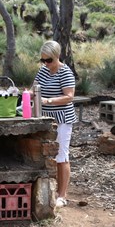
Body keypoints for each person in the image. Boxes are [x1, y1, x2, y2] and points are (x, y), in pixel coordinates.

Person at [34, 40, 77, 208]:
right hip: (45, 118)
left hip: (62, 118)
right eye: (43, 60)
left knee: (61, 155)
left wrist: (48, 100)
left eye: (49, 60)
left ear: (57, 56)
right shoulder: (43, 71)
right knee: (48, 155)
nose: (46, 63)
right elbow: (34, 89)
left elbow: (69, 96)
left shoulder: (65, 72)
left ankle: (62, 194)